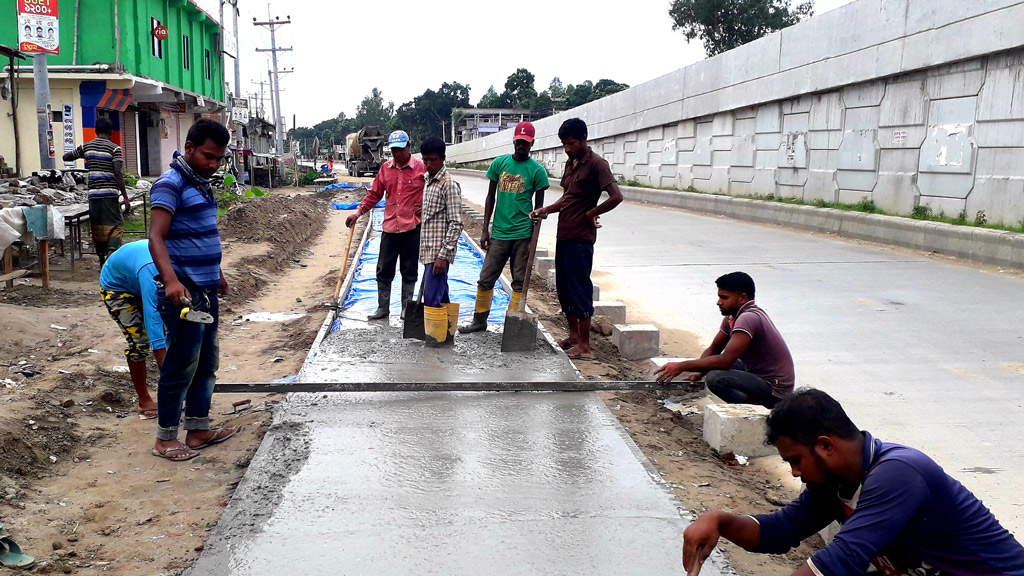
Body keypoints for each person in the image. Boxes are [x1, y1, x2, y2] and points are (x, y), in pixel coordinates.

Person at [682, 388, 1024, 576]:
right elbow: (780, 531)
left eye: (796, 461)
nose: (796, 473)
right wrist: (720, 521)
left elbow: (842, 560)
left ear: (826, 445)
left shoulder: (899, 472)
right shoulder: (834, 483)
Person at [148, 119, 238, 462]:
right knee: (181, 364)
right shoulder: (169, 184)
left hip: (206, 290)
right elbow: (156, 236)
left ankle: (198, 428)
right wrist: (171, 280)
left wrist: (217, 274)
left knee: (206, 363)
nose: (214, 164)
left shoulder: (201, 184)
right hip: (184, 294)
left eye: (219, 158)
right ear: (189, 148)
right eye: (207, 156)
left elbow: (202, 233)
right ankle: (165, 437)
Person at [530, 118, 622, 360]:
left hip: (581, 238)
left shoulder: (597, 164)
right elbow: (568, 198)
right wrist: (545, 210)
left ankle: (585, 346)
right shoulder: (571, 163)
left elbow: (616, 196)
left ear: (584, 139)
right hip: (564, 234)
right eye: (564, 144)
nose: (567, 148)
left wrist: (592, 213)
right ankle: (573, 337)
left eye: (571, 144)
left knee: (580, 288)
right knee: (565, 288)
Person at [654, 271, 794, 408]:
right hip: (758, 374)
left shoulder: (748, 318)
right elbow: (714, 348)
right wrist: (699, 374)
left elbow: (725, 361)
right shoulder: (732, 318)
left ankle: (753, 409)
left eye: (724, 298)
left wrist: (681, 366)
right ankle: (751, 401)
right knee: (711, 365)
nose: (718, 302)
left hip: (775, 390)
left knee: (716, 378)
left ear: (742, 298)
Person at [459, 122, 549, 333]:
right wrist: (485, 229)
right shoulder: (499, 165)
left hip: (522, 234)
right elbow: (491, 196)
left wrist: (533, 237)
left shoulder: (537, 171)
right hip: (499, 233)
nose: (521, 146)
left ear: (532, 144)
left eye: (525, 143)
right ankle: (479, 320)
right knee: (486, 278)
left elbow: (539, 208)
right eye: (518, 142)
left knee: (519, 281)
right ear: (514, 141)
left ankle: (513, 325)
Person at [345, 130, 426, 320]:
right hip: (390, 227)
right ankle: (383, 307)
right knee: (384, 268)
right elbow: (374, 195)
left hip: (412, 227)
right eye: (393, 150)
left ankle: (406, 308)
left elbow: (433, 191)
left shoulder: (421, 168)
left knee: (409, 269)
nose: (396, 154)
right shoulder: (385, 169)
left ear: (409, 147)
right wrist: (358, 213)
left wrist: (424, 208)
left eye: (400, 149)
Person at [99, 241, 165, 419]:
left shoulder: (182, 260)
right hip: (118, 287)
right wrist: (167, 370)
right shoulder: (150, 269)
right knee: (140, 342)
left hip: (137, 276)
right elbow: (154, 319)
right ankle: (144, 398)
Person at [63, 117, 131, 266]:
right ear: (110, 132)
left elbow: (66, 157)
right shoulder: (114, 148)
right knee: (116, 225)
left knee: (98, 228)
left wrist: (83, 153)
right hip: (110, 194)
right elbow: (117, 173)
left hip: (93, 195)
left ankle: (102, 262)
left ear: (95, 131)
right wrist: (125, 197)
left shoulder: (87, 147)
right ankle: (111, 254)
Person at [417, 137, 464, 347]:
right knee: (441, 293)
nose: (429, 164)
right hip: (428, 250)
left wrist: (443, 255)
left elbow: (456, 223)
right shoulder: (428, 180)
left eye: (433, 160)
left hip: (438, 253)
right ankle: (446, 335)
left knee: (432, 298)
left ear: (443, 159)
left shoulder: (448, 185)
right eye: (425, 160)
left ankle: (435, 341)